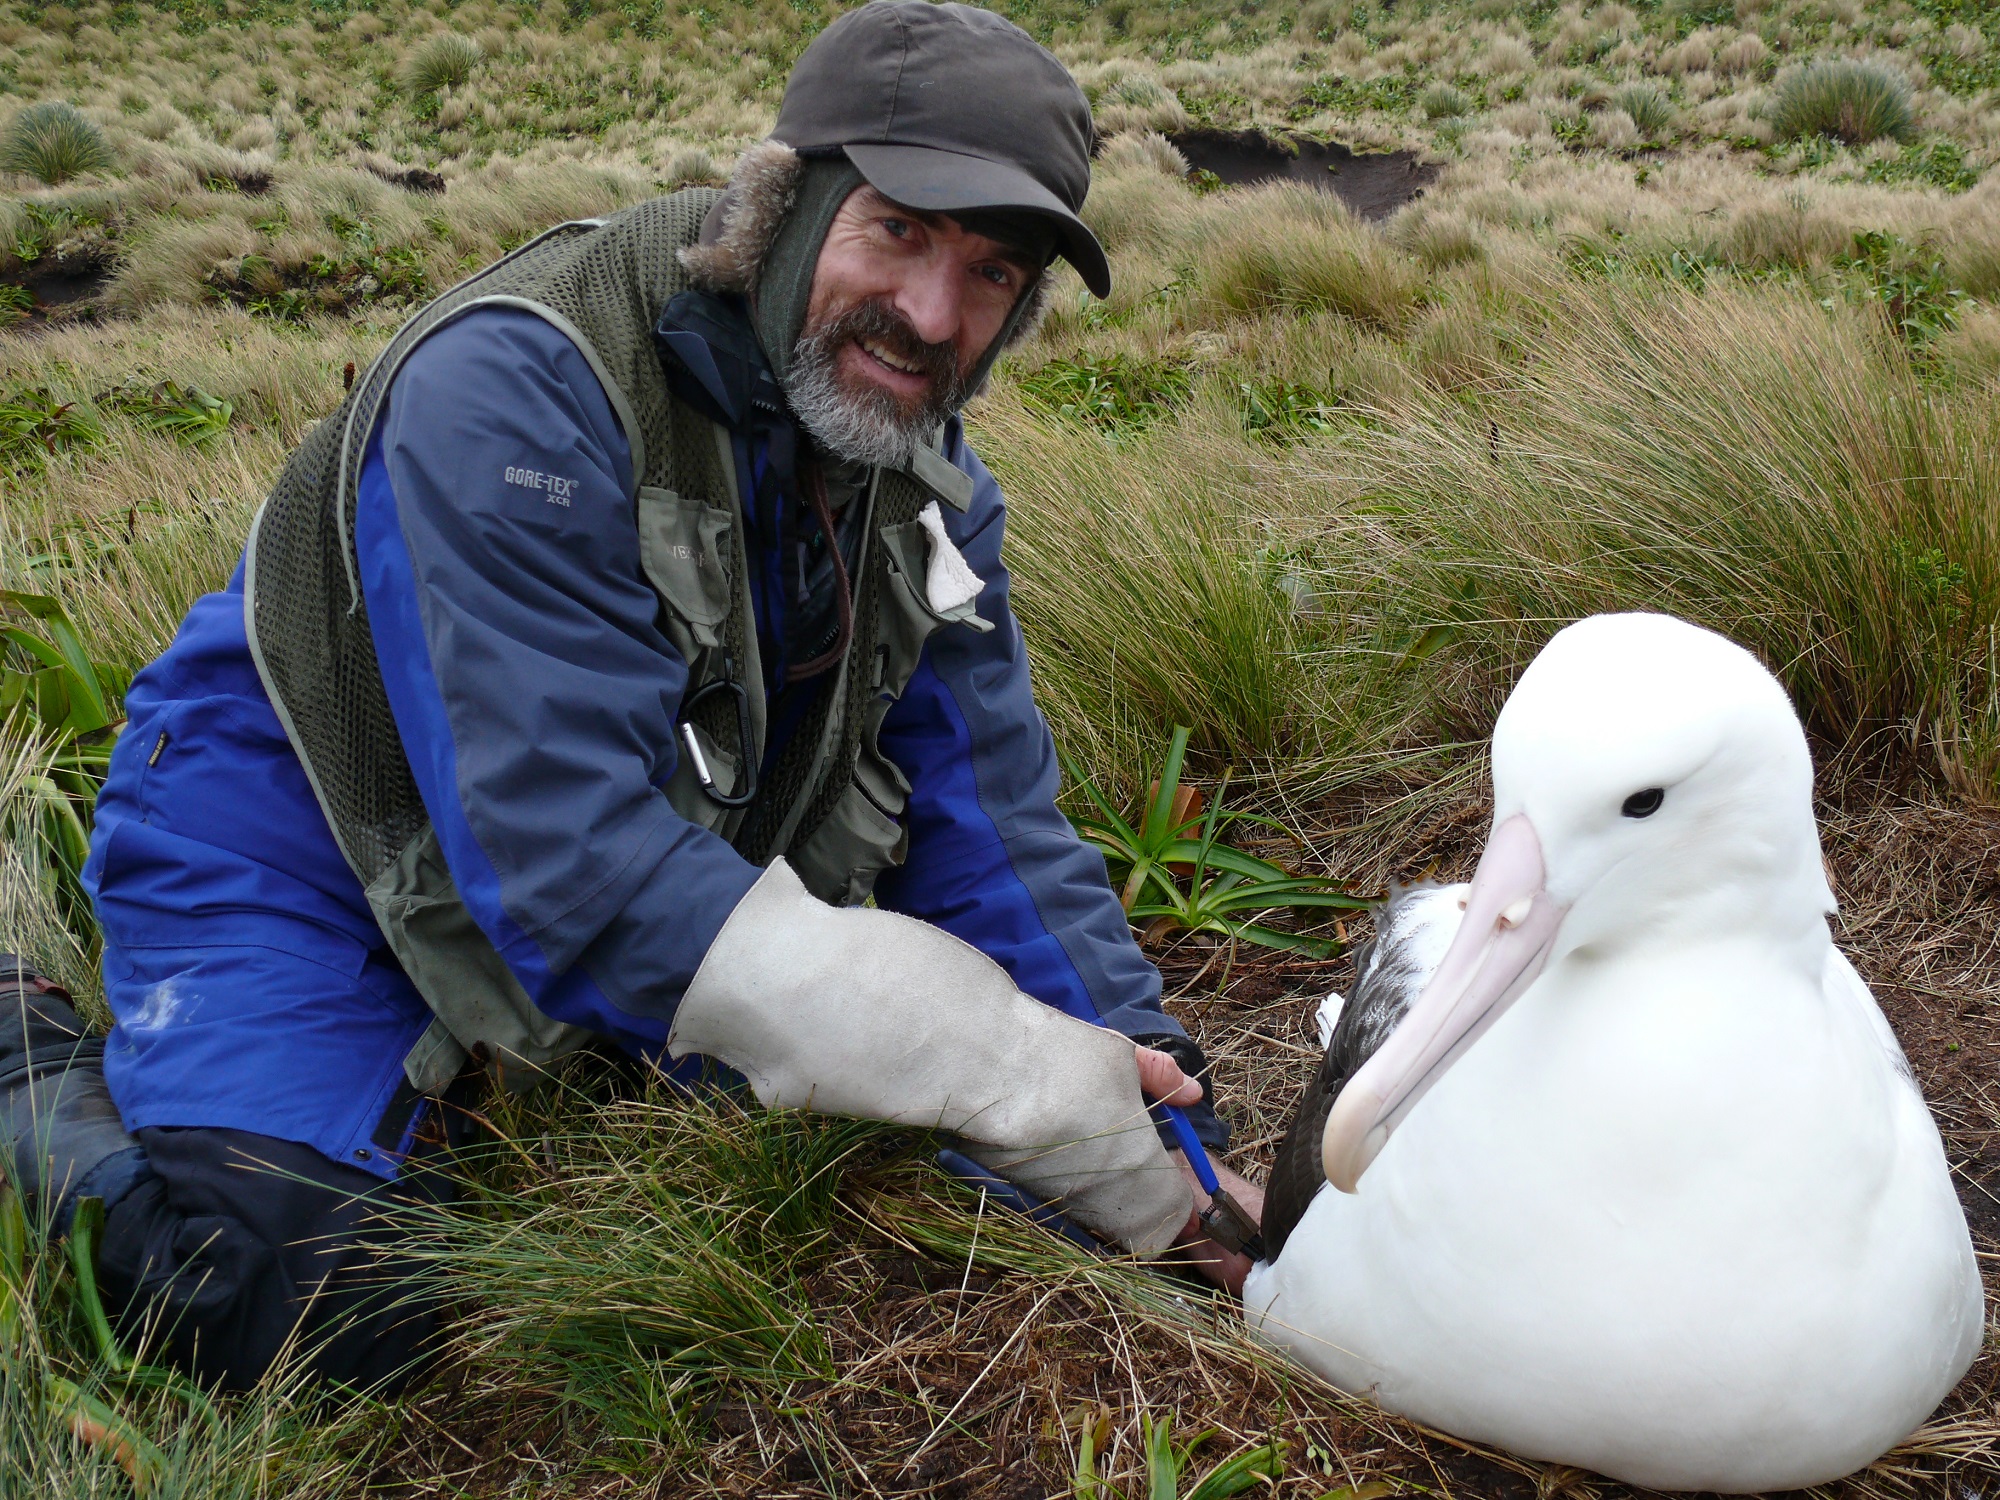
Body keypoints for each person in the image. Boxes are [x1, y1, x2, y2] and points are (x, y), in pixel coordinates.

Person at [0, 0, 1264, 1391]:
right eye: (899, 230)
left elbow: (995, 827)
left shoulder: (925, 486)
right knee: (294, 1303)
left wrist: (1161, 1137)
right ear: (783, 205)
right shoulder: (520, 389)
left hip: (625, 860)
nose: (931, 315)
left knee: (977, 1190)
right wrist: (1007, 1069)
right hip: (303, 840)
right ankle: (22, 1041)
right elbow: (571, 869)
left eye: (992, 273)